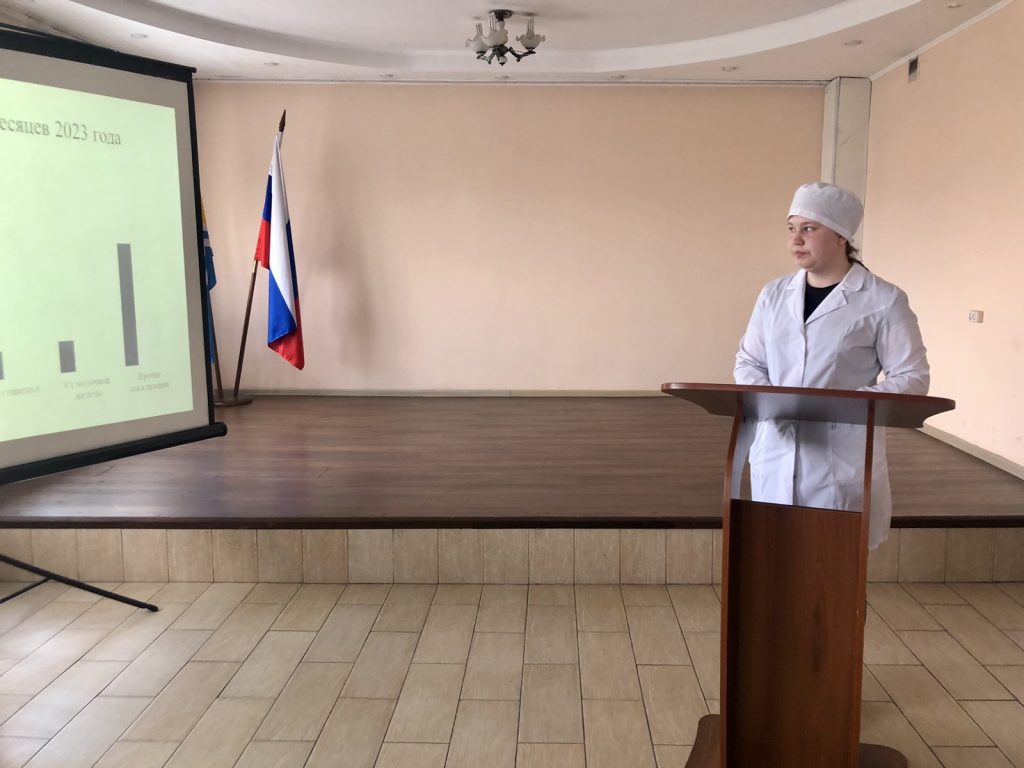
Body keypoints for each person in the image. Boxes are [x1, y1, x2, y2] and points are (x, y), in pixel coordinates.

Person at [734, 182, 929, 549]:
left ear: (841, 236)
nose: (795, 240)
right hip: (776, 446)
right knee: (774, 558)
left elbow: (912, 378)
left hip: (840, 457)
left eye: (809, 229)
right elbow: (749, 360)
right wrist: (773, 401)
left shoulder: (883, 299)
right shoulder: (773, 294)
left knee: (834, 563)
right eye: (791, 228)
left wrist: (840, 405)